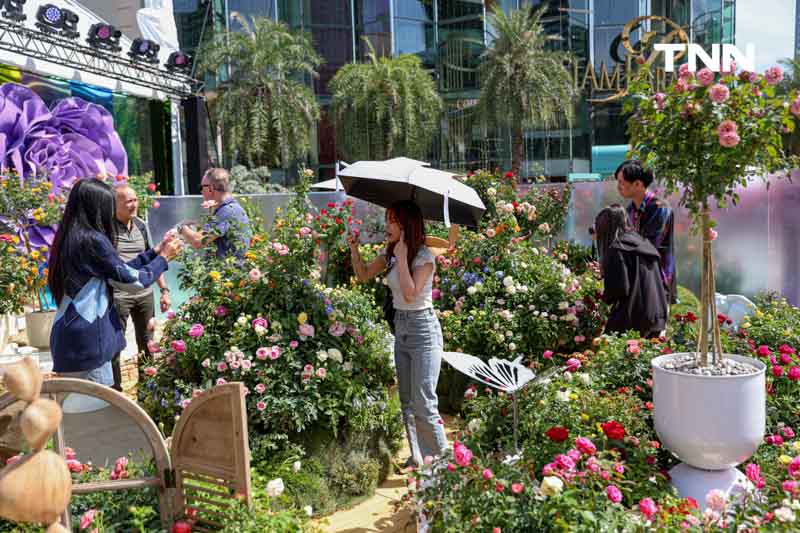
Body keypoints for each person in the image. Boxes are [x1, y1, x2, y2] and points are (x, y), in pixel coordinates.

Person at [47, 178, 182, 385]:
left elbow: (118, 271)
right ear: (97, 208)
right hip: (90, 341)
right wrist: (164, 258)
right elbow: (135, 281)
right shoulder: (92, 239)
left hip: (70, 339)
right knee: (96, 413)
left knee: (74, 412)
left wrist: (155, 252)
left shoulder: (70, 237)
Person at [347, 201, 448, 467]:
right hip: (401, 329)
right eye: (387, 219)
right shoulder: (390, 253)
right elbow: (363, 275)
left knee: (424, 402)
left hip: (423, 331)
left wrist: (403, 258)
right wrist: (354, 249)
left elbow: (410, 293)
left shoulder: (425, 257)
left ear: (405, 226)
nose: (386, 226)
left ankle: (444, 465)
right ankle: (418, 458)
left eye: (391, 220)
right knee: (406, 401)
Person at [111, 185, 171, 392]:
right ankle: (115, 394)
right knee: (115, 348)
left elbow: (153, 259)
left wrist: (164, 290)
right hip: (119, 297)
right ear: (115, 204)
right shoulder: (107, 230)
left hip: (144, 295)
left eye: (135, 199)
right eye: (128, 201)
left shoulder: (141, 226)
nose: (134, 204)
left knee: (147, 344)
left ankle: (148, 393)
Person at [594, 205, 668, 339]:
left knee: (605, 346)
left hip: (634, 319)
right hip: (657, 314)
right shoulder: (642, 242)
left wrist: (601, 301)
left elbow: (620, 288)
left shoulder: (617, 248)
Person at [615, 160, 676, 304]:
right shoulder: (630, 210)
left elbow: (648, 246)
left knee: (653, 325)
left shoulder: (660, 208)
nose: (618, 187)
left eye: (621, 182)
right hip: (638, 281)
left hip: (657, 283)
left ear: (637, 184)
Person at [179, 168, 251, 259]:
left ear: (211, 189)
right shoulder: (230, 208)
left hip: (226, 271)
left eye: (201, 187)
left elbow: (198, 241)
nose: (201, 191)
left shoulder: (227, 211)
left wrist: (182, 227)